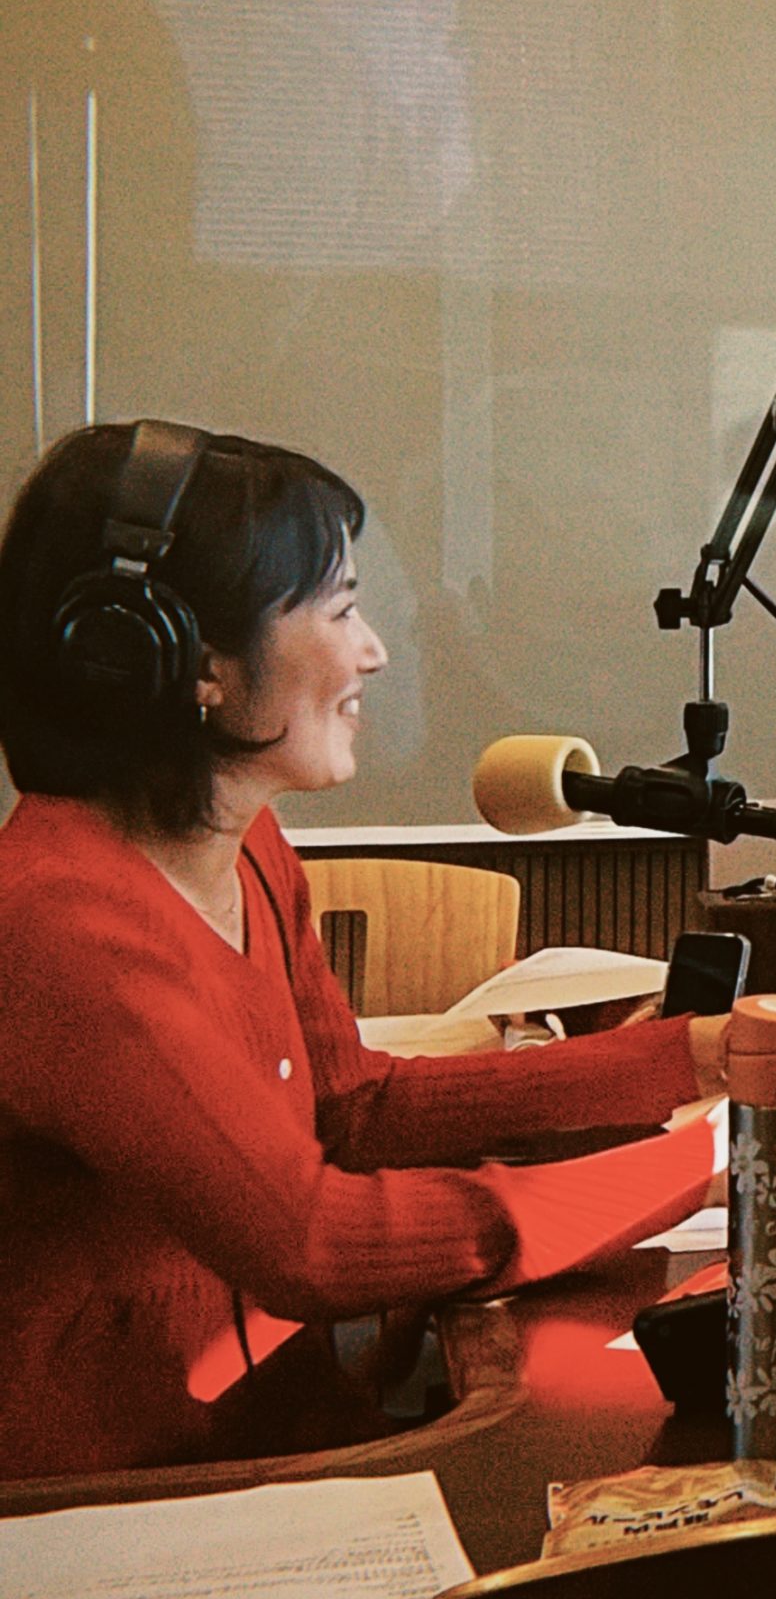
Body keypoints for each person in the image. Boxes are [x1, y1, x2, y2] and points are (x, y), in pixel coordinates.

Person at [0, 422, 727, 1480]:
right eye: (341, 609)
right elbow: (312, 1241)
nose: (375, 651)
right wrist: (699, 1170)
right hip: (121, 1506)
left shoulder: (245, 843)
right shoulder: (65, 926)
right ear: (189, 660)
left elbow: (351, 1109)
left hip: (279, 1445)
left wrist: (687, 1055)